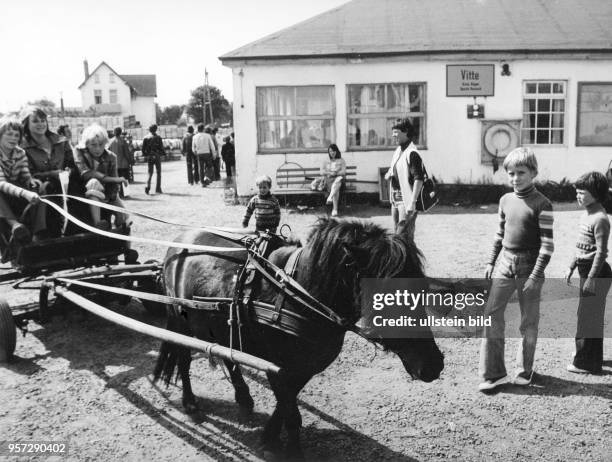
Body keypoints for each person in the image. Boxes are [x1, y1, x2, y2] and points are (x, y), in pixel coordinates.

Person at [478, 147, 554, 392]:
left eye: (521, 172)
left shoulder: (543, 203)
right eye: (510, 173)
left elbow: (547, 246)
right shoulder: (505, 200)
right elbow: (499, 235)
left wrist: (534, 275)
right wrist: (491, 261)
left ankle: (525, 370)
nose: (515, 178)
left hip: (530, 266)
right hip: (505, 263)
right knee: (491, 314)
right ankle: (494, 374)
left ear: (533, 172)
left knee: (528, 322)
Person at [565, 171, 611, 374]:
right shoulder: (586, 214)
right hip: (586, 269)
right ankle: (592, 357)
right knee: (587, 315)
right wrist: (571, 265)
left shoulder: (600, 218)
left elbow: (601, 252)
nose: (578, 196)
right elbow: (581, 247)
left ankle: (585, 363)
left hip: (597, 272)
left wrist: (592, 278)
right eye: (577, 192)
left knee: (588, 317)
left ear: (597, 193)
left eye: (583, 192)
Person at [21, 107, 82, 236]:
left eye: (43, 120)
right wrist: (52, 174)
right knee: (47, 190)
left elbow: (72, 165)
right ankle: (45, 235)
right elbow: (29, 174)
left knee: (79, 187)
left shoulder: (61, 141)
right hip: (42, 187)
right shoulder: (22, 147)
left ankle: (81, 232)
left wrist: (68, 171)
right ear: (27, 124)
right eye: (35, 121)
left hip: (66, 184)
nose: (41, 124)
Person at [0, 117, 45, 247]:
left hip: (13, 191)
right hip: (3, 192)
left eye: (16, 135)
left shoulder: (20, 153)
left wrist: (31, 181)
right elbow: (1, 183)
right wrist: (24, 193)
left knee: (41, 187)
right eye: (9, 134)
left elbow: (25, 175)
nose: (13, 138)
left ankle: (38, 232)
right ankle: (15, 225)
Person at [74, 124, 129, 230]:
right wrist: (115, 179)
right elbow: (86, 174)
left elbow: (113, 187)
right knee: (93, 182)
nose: (98, 148)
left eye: (101, 144)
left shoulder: (111, 157)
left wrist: (115, 206)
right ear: (86, 144)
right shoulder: (79, 152)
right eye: (93, 145)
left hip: (105, 193)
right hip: (82, 192)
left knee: (125, 218)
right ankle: (97, 223)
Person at [384, 118, 424, 231]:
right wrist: (389, 173)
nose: (393, 135)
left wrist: (412, 202)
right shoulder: (399, 150)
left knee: (403, 235)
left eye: (396, 132)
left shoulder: (412, 153)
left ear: (406, 131)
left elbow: (419, 179)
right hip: (395, 199)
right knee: (397, 233)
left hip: (405, 200)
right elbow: (395, 169)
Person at [313, 143, 346, 217]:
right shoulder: (325, 161)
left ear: (337, 151)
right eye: (330, 151)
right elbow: (321, 172)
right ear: (329, 152)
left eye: (334, 151)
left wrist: (336, 173)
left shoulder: (341, 160)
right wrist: (329, 173)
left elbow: (343, 171)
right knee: (335, 188)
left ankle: (330, 198)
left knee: (338, 181)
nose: (332, 153)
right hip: (329, 180)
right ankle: (335, 209)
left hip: (339, 178)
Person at [108, 127, 132, 198]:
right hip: (123, 164)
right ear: (121, 132)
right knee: (125, 179)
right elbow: (126, 153)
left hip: (114, 164)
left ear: (114, 132)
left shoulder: (110, 141)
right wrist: (130, 161)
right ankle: (126, 194)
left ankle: (116, 194)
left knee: (115, 180)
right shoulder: (123, 141)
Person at [142, 124, 164, 194]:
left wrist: (147, 155)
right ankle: (158, 189)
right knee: (158, 173)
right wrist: (161, 154)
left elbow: (143, 149)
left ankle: (148, 187)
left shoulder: (145, 138)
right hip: (157, 156)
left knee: (150, 173)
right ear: (156, 129)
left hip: (150, 156)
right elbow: (161, 149)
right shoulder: (158, 137)